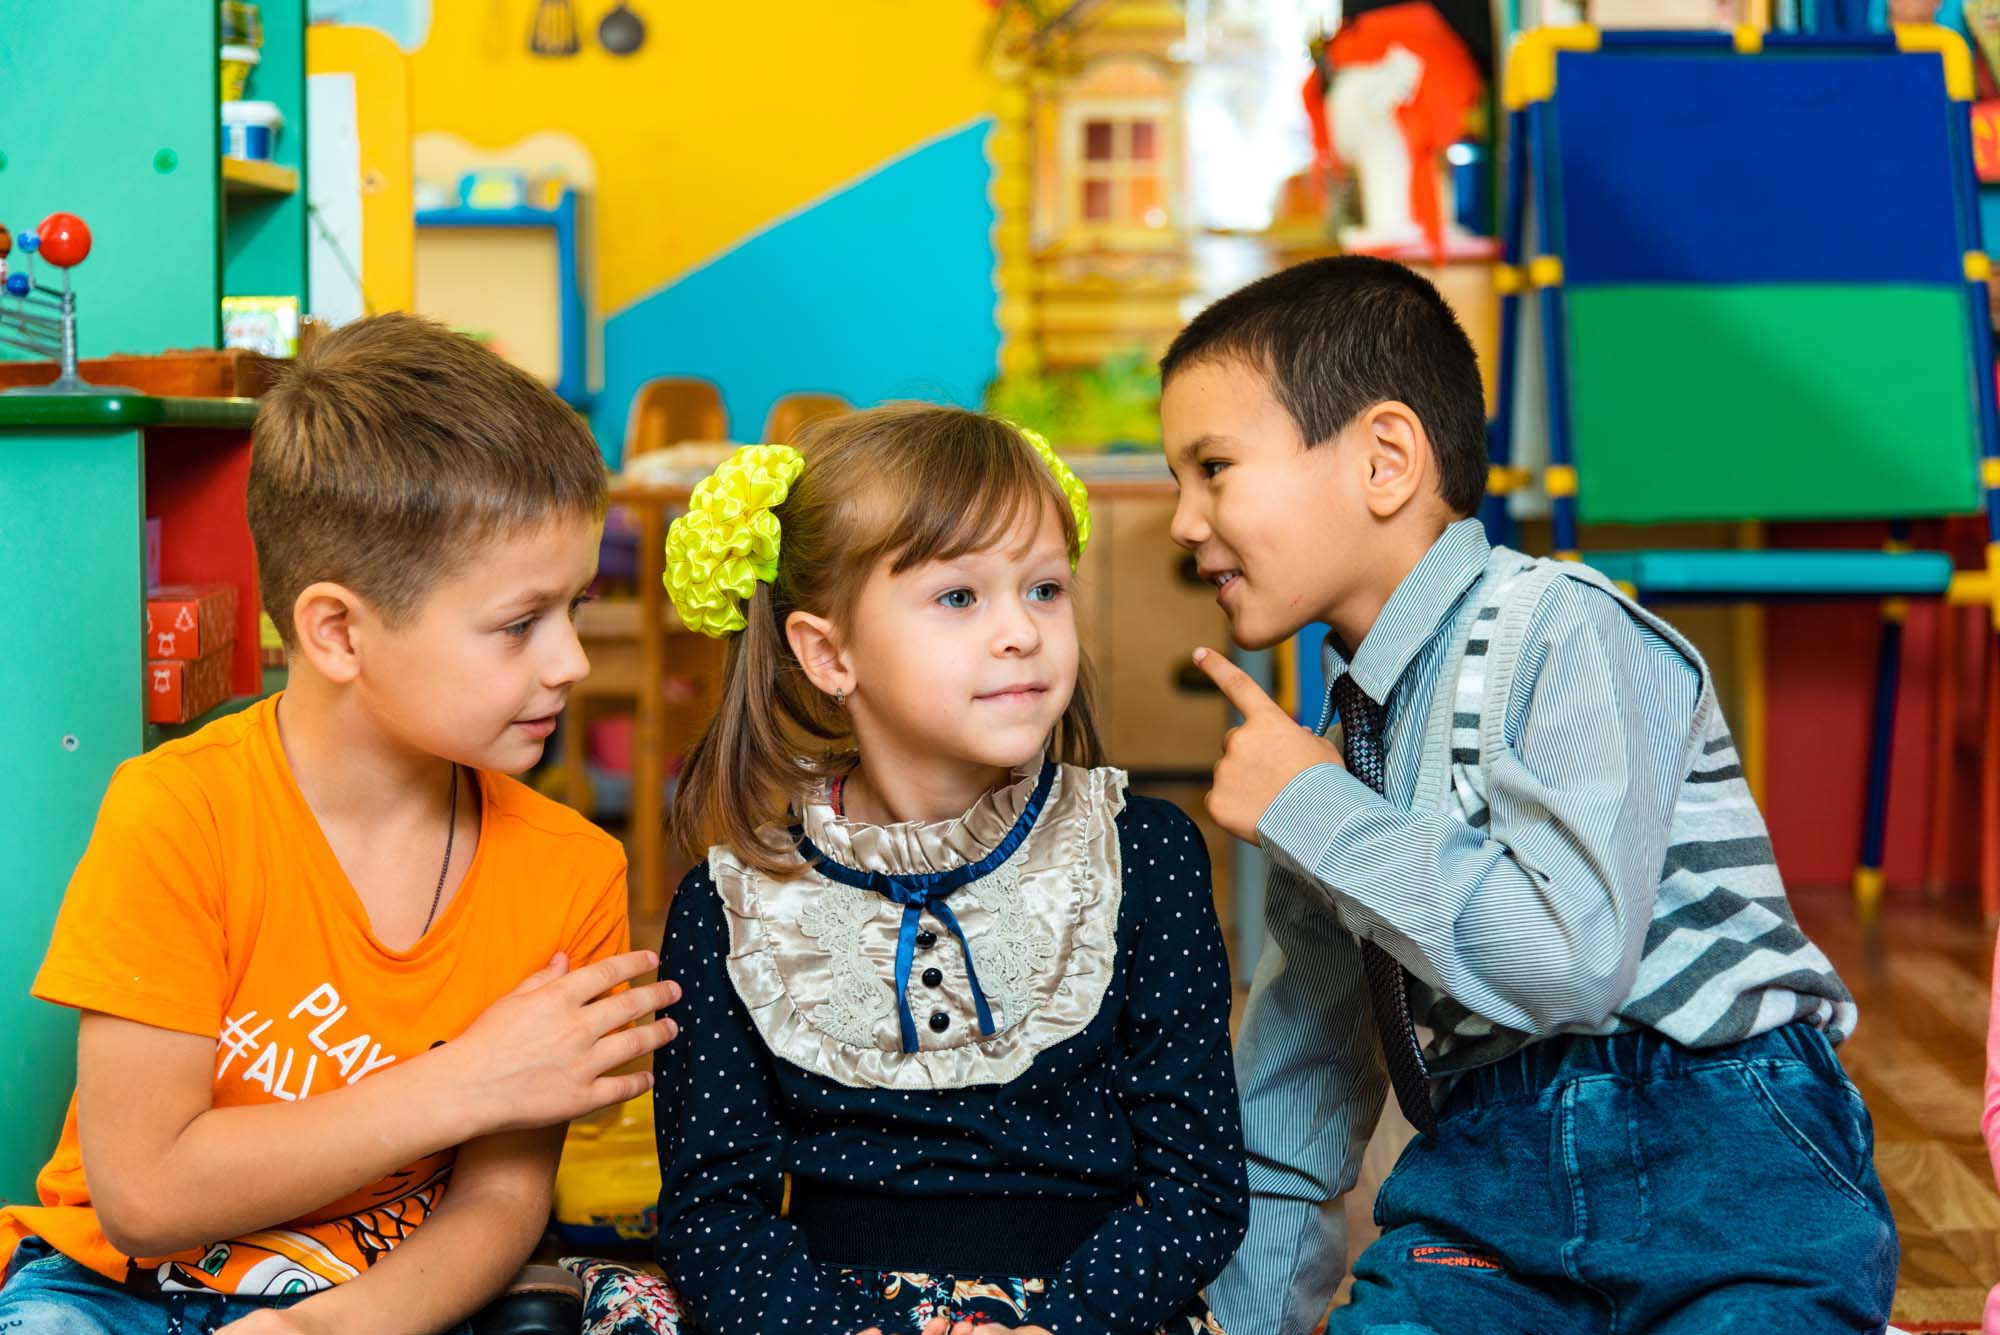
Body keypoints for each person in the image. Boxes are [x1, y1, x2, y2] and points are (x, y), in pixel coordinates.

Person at [1165, 257, 1892, 1334]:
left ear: (1383, 460)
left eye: (1212, 468)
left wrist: (1318, 810)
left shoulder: (1563, 626)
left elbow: (1571, 962)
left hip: (1720, 1147)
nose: (1183, 522)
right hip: (1483, 1191)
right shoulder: (1325, 763)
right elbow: (1299, 1077)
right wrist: (1237, 1321)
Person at [0, 313, 680, 1335]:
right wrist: (466, 1082)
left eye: (574, 608)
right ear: (336, 632)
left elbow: (500, 1201)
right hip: (117, 1292)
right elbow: (142, 1199)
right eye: (517, 624)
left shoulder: (570, 870)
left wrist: (324, 1327)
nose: (570, 662)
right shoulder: (178, 814)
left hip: (393, 1300)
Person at [644, 405, 1248, 1335]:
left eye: (1045, 589)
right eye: (961, 597)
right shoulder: (729, 906)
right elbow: (715, 1210)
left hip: (1091, 1314)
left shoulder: (1143, 856)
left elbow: (1198, 1185)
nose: (1021, 632)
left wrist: (1058, 1325)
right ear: (828, 653)